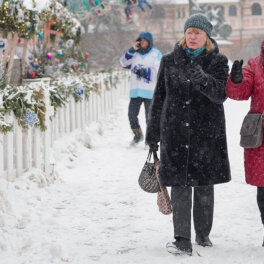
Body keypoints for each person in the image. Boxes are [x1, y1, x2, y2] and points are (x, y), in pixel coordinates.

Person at [146, 13, 231, 256]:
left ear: (207, 37)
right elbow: (159, 97)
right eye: (190, 32)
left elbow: (221, 95)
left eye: (198, 33)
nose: (193, 37)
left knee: (204, 185)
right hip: (175, 132)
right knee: (180, 186)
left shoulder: (218, 61)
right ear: (185, 35)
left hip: (207, 133)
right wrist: (153, 133)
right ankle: (182, 238)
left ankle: (203, 235)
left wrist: (205, 82)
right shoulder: (170, 60)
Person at [226, 41, 264, 247]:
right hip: (261, 137)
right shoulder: (255, 65)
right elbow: (238, 93)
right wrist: (237, 79)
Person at [120, 32, 162, 146]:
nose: (142, 42)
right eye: (140, 40)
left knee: (149, 117)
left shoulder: (156, 54)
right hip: (136, 90)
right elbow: (123, 63)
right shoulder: (134, 54)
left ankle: (150, 140)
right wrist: (131, 50)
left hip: (150, 91)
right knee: (131, 115)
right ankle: (138, 135)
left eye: (145, 40)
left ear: (149, 42)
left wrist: (145, 72)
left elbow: (159, 71)